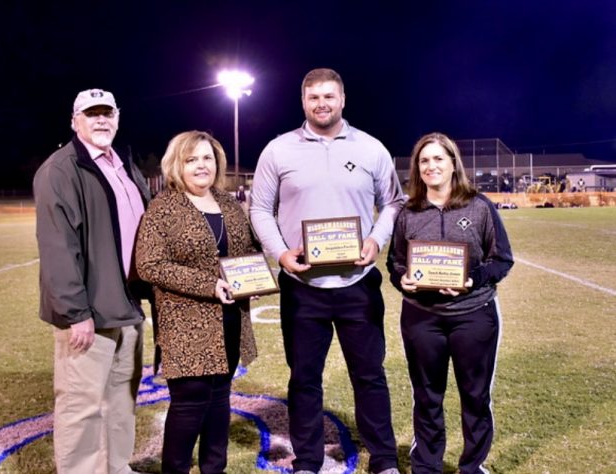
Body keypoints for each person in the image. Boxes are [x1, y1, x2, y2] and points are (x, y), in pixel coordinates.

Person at [249, 68, 404, 474]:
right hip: (303, 286)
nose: (322, 103)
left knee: (369, 375)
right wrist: (281, 254)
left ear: (343, 99)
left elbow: (393, 203)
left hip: (357, 284)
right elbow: (259, 209)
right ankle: (308, 461)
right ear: (303, 102)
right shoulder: (278, 150)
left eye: (329, 96)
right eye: (314, 97)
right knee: (304, 379)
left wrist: (376, 240)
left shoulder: (371, 148)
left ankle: (384, 460)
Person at [33, 88, 152, 474]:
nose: (101, 120)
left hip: (127, 307)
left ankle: (118, 467)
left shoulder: (123, 164)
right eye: (91, 114)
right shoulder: (60, 170)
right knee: (80, 405)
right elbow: (58, 248)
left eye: (107, 113)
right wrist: (75, 312)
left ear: (117, 117)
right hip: (90, 313)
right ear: (75, 121)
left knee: (122, 398)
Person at [386, 132, 514, 474]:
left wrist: (474, 278)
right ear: (417, 168)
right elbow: (395, 263)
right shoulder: (408, 212)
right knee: (427, 396)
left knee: (475, 396)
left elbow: (502, 259)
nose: (431, 166)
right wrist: (403, 280)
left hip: (473, 316)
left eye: (438, 158)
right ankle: (426, 465)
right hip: (422, 317)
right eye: (424, 160)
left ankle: (472, 466)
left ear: (453, 162)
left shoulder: (479, 206)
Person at [135, 130, 258, 474]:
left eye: (207, 158)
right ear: (178, 165)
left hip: (229, 320)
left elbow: (245, 251)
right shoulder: (163, 207)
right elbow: (149, 265)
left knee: (220, 405)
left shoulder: (228, 202)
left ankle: (213, 470)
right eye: (192, 160)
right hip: (186, 324)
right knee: (189, 408)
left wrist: (253, 280)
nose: (201, 166)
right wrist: (209, 284)